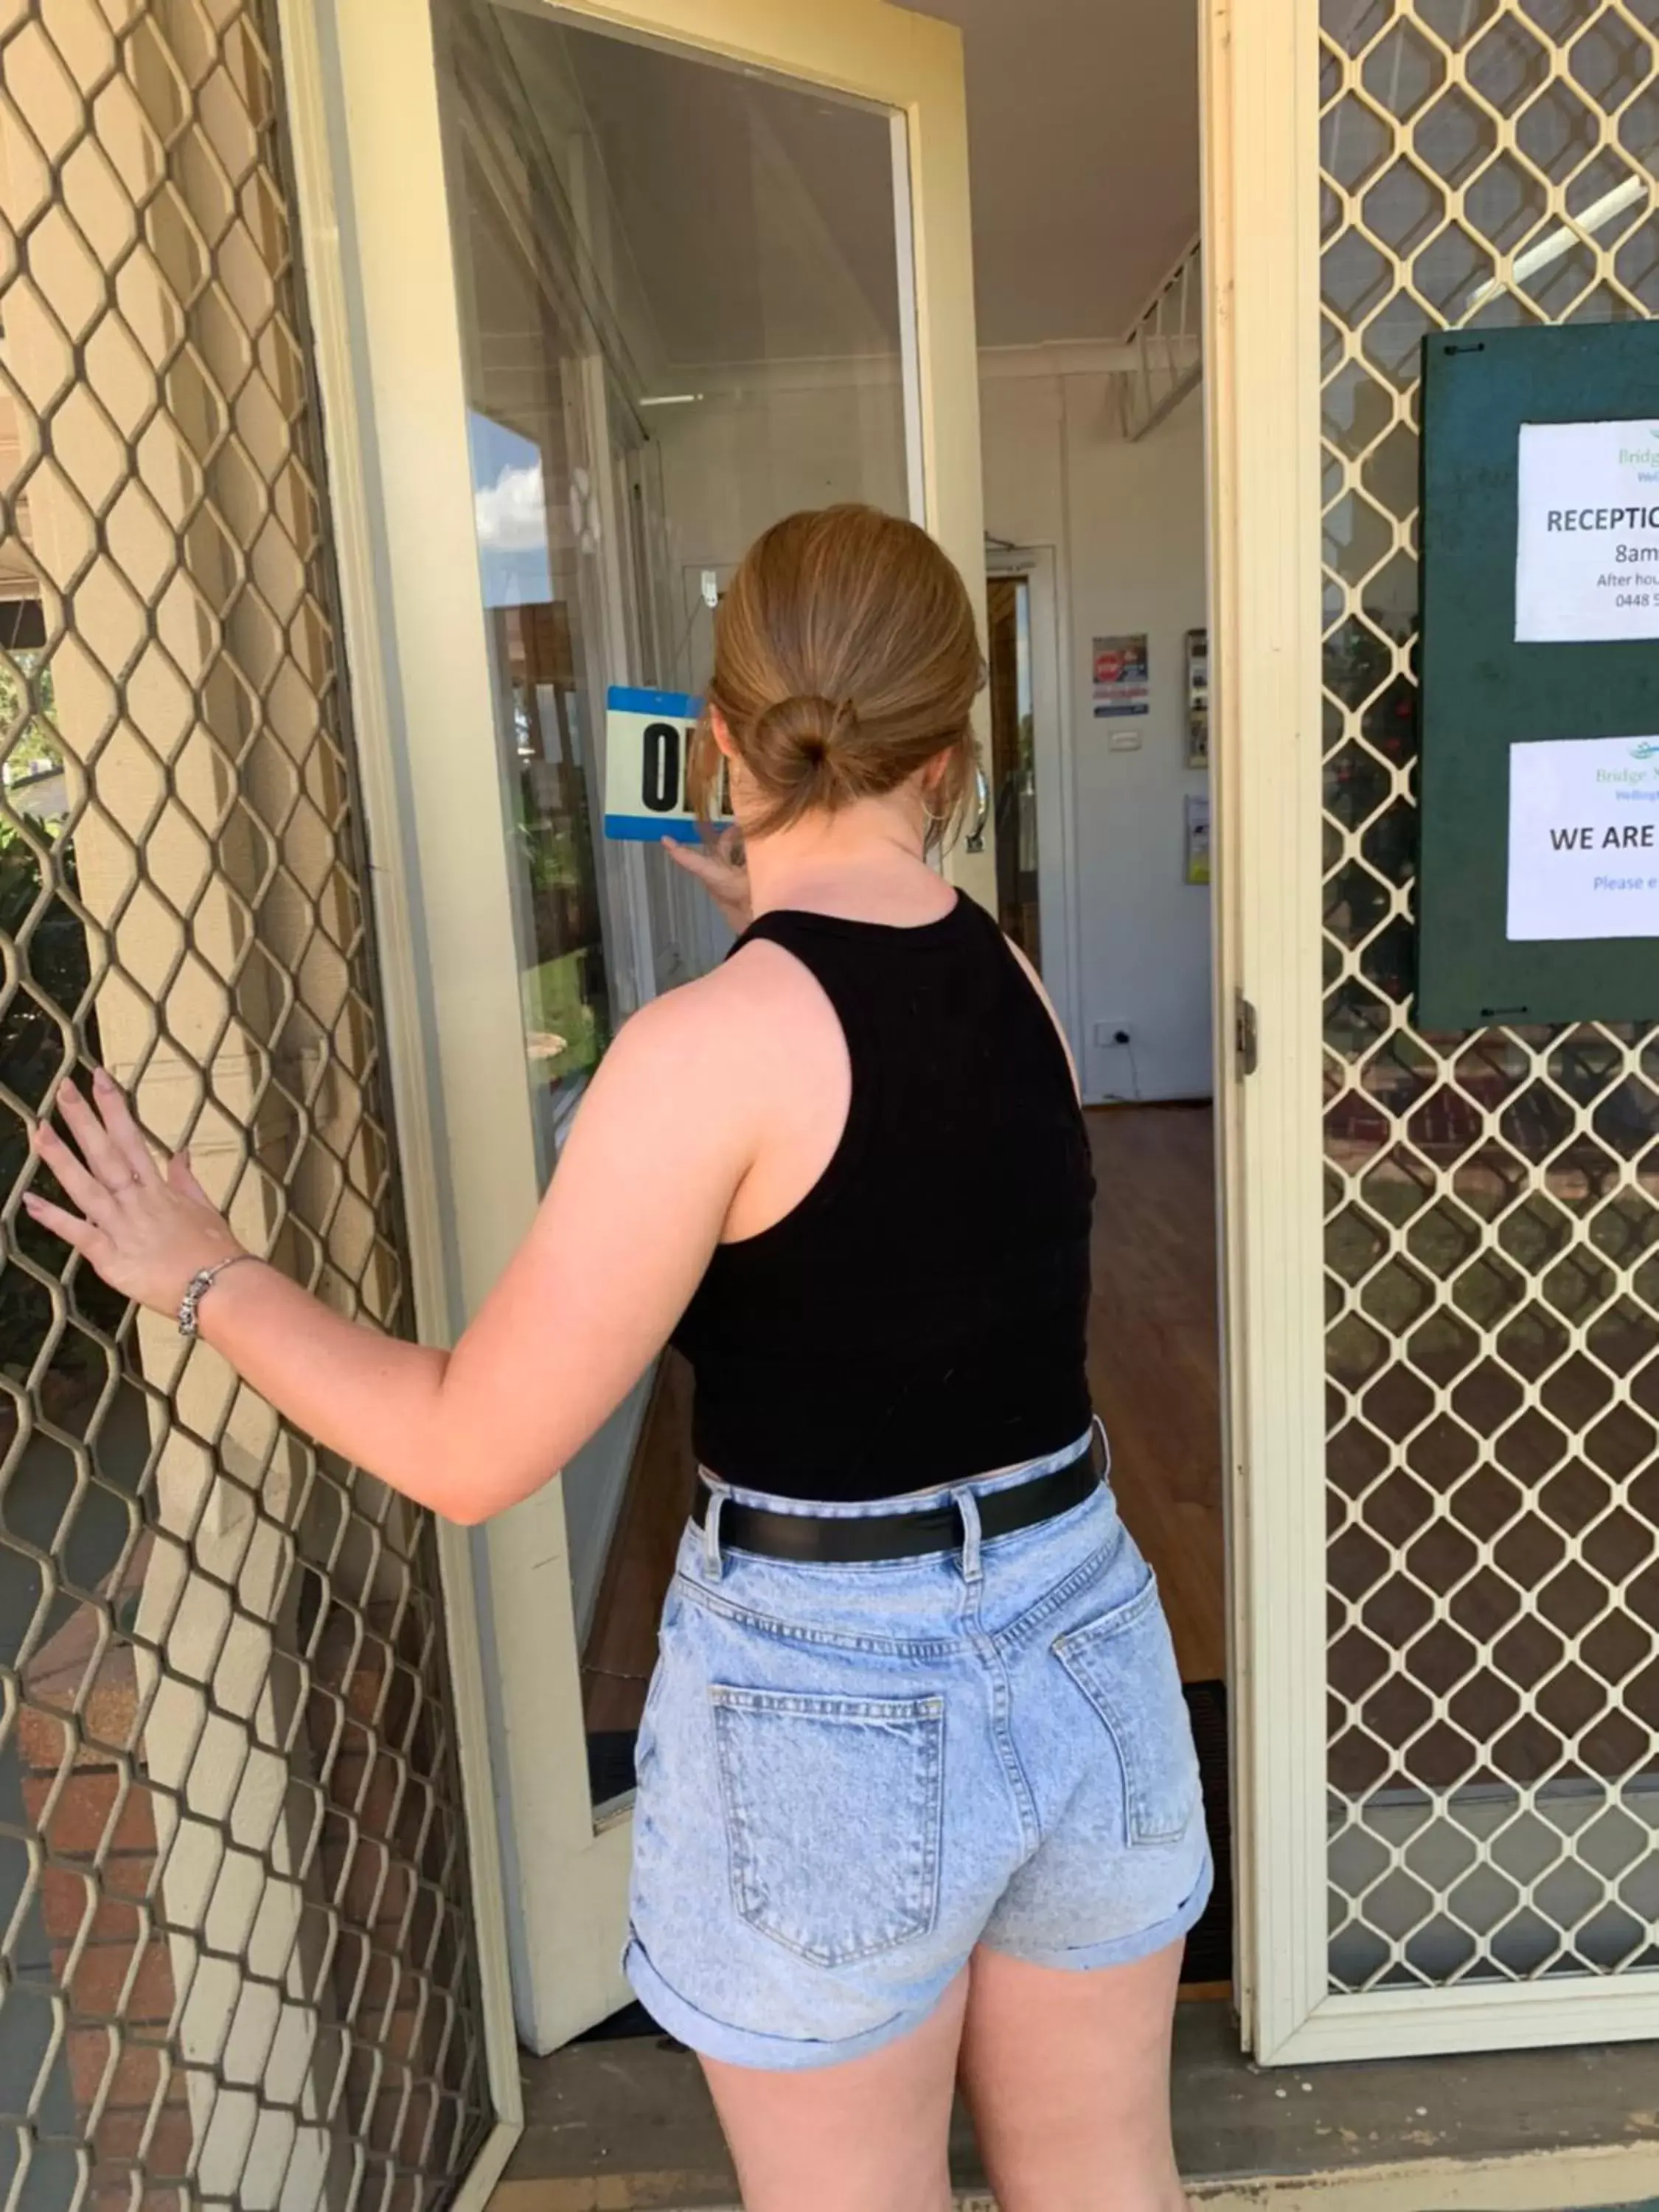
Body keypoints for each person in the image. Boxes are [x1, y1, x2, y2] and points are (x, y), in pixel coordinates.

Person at [29, 504, 1209, 2212]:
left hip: (834, 1690)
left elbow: (466, 1445)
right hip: (1086, 1629)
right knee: (1106, 2174)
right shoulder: (1015, 981)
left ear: (718, 745)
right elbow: (899, 1151)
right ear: (951, 760)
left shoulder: (707, 1050)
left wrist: (202, 1272)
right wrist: (785, 890)